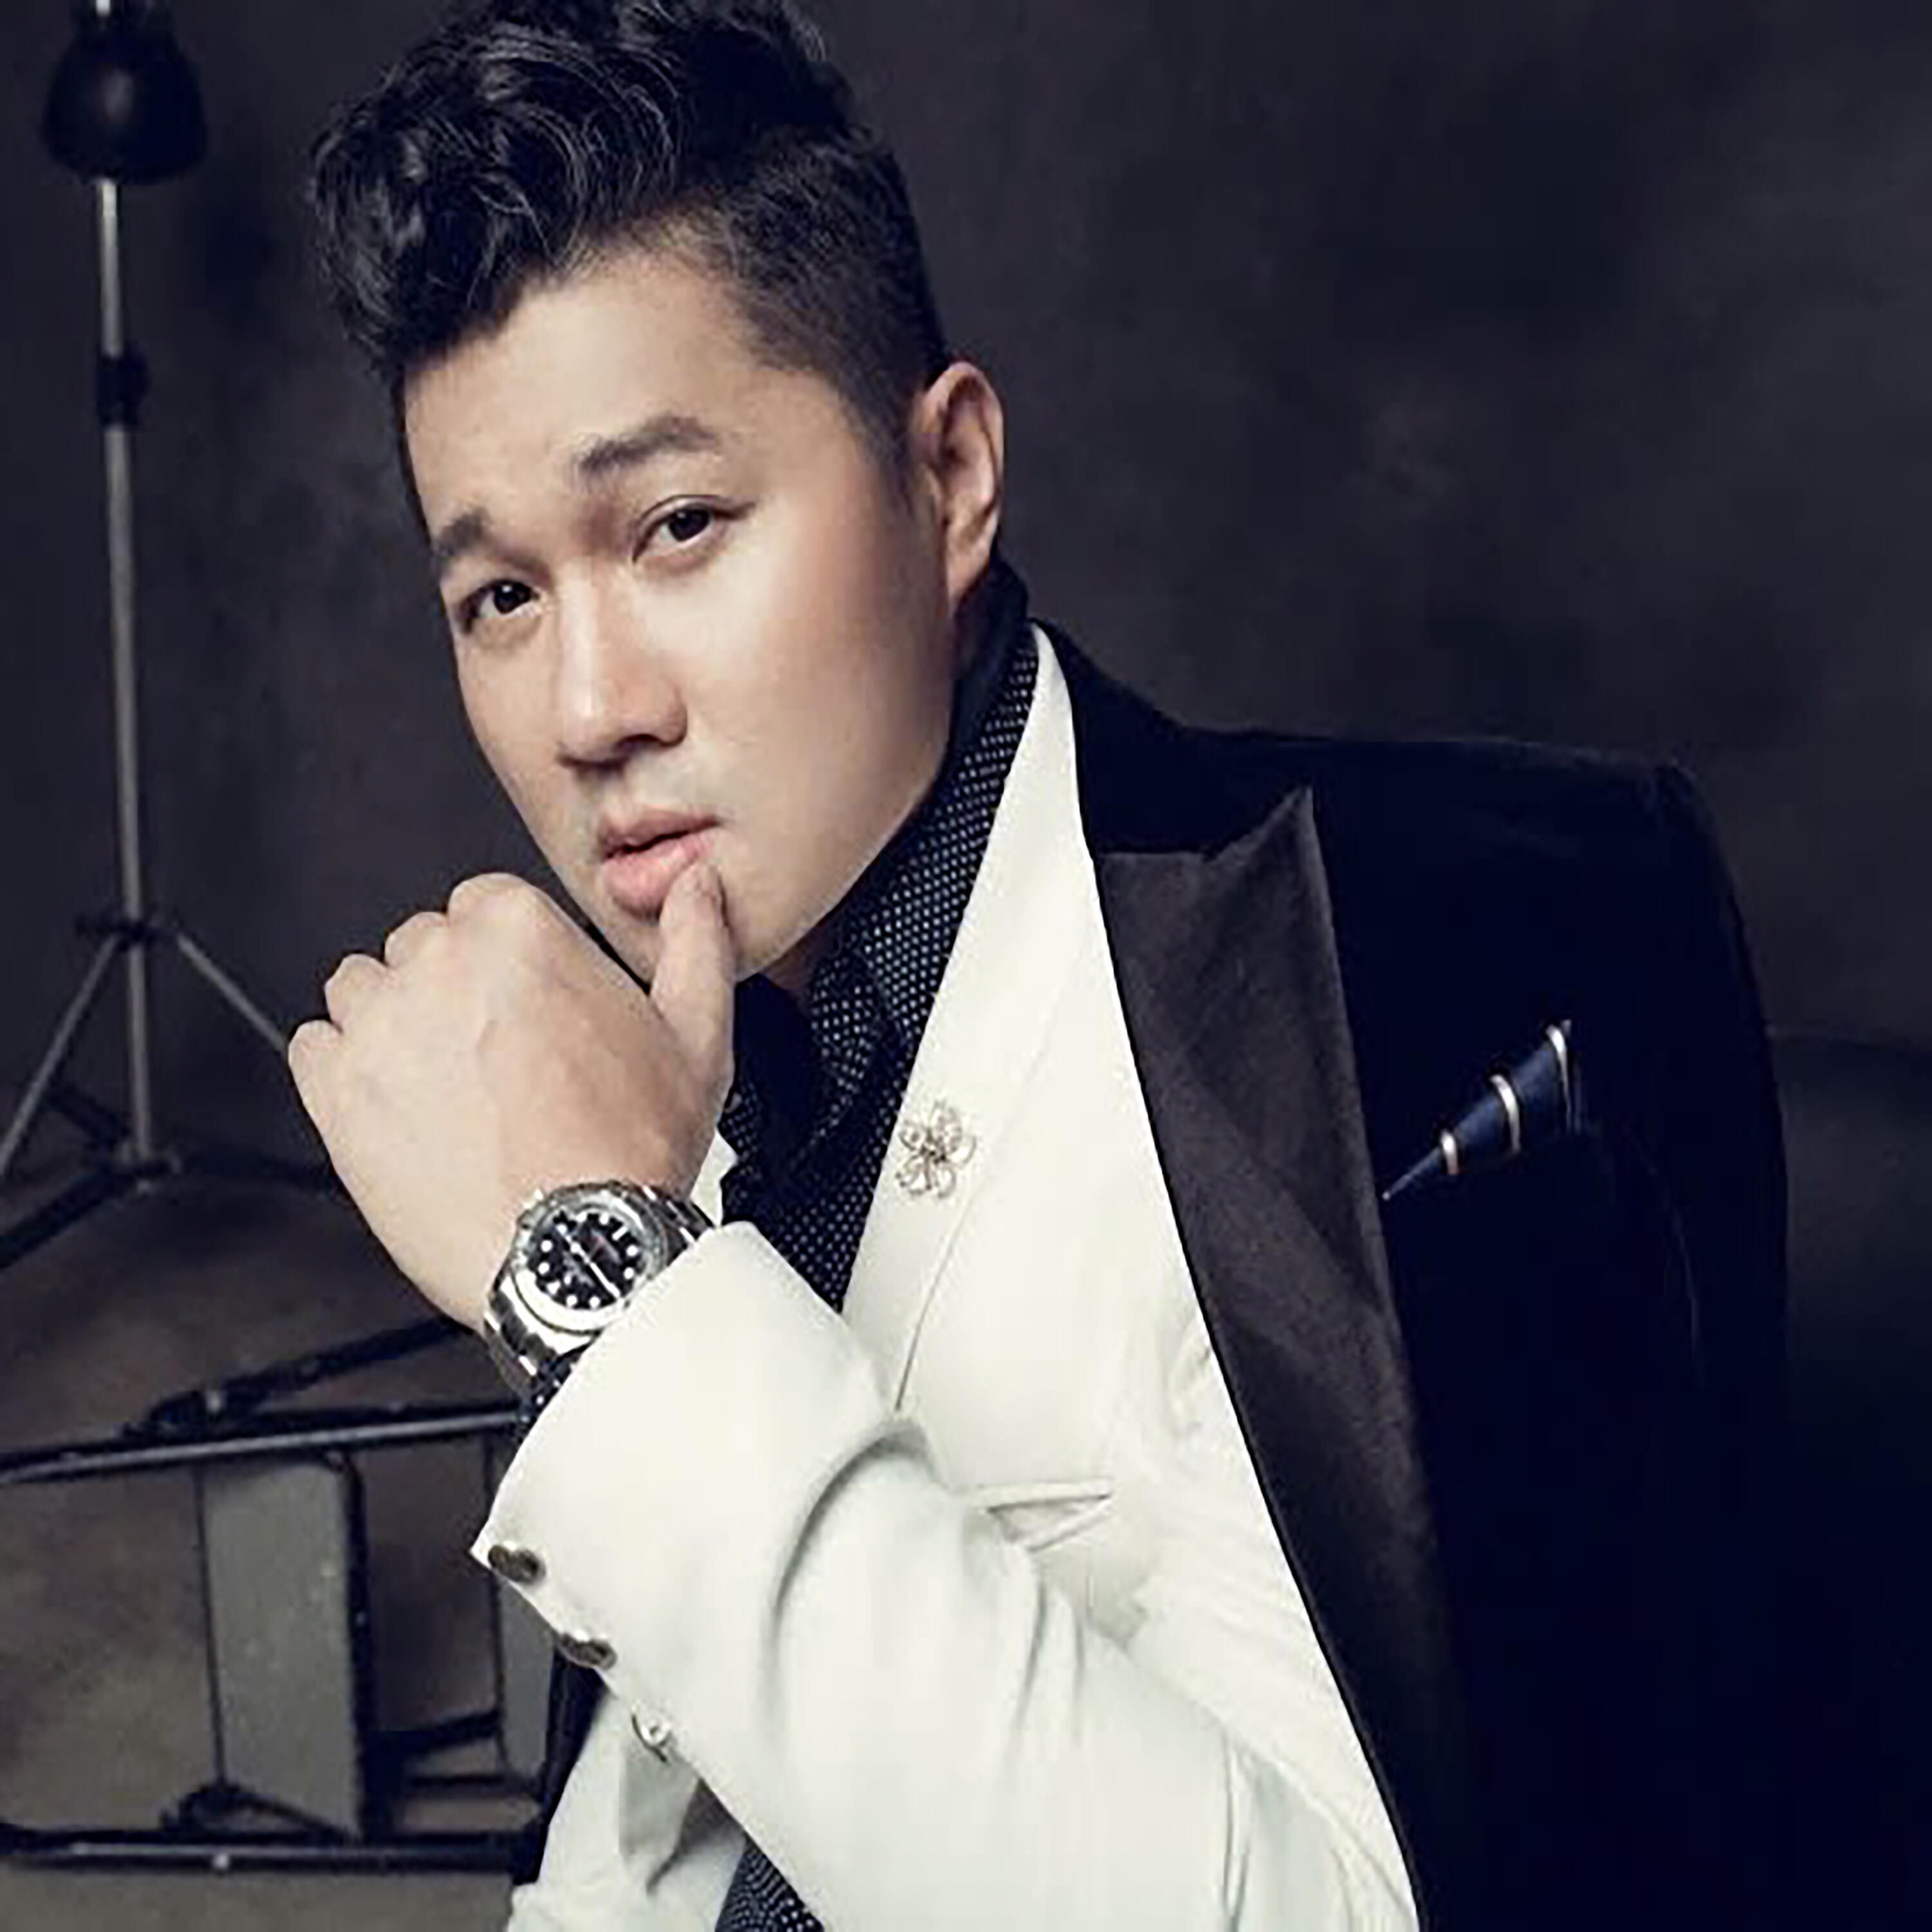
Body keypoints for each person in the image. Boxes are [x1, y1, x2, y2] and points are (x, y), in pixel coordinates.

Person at [296, 3, 1786, 1927]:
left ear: (952, 479)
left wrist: (612, 1299)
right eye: (501, 595)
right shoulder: (687, 1025)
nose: (589, 711)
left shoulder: (1411, 967)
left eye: (677, 527)